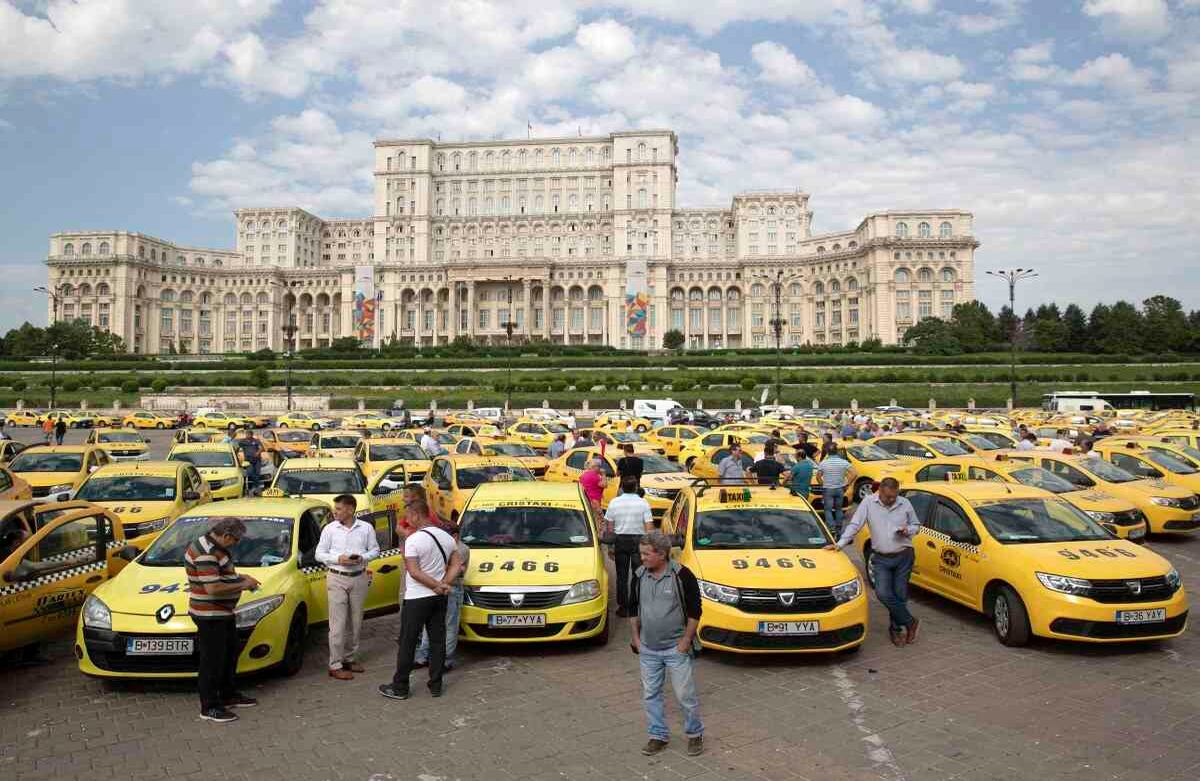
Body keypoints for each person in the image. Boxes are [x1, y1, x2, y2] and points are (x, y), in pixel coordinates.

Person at [629, 531, 704, 757]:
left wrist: (686, 640)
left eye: (646, 554)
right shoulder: (639, 575)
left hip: (675, 648)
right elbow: (633, 609)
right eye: (641, 553)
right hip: (648, 649)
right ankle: (658, 736)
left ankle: (694, 734)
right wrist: (635, 637)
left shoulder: (682, 575)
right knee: (651, 694)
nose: (642, 558)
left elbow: (695, 611)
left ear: (661, 554)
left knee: (684, 695)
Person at [826, 477, 921, 647]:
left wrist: (908, 530)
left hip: (904, 556)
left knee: (900, 595)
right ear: (880, 492)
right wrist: (839, 544)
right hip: (881, 558)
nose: (892, 500)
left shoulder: (905, 503)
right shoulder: (868, 503)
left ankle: (896, 629)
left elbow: (916, 525)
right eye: (888, 497)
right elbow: (855, 525)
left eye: (894, 496)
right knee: (883, 593)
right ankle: (910, 621)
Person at [379, 504, 461, 701]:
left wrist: (435, 585)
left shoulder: (413, 539)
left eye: (408, 517)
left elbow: (414, 572)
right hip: (439, 598)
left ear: (416, 516)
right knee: (437, 640)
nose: (407, 521)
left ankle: (400, 686)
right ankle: (436, 684)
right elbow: (457, 564)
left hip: (416, 598)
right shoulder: (447, 537)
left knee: (408, 641)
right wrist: (443, 584)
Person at [184, 517, 261, 723]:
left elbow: (220, 576)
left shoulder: (214, 546)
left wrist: (241, 577)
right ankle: (209, 706)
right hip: (209, 614)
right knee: (212, 661)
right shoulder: (206, 552)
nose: (236, 544)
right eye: (235, 540)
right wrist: (243, 585)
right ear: (226, 535)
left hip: (222, 612)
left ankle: (228, 695)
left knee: (229, 653)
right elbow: (213, 588)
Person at [315, 494, 380, 681]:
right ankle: (335, 664)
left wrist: (362, 558)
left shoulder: (366, 528)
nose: (335, 512)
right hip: (337, 578)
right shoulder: (329, 529)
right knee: (337, 624)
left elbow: (375, 550)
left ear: (350, 509)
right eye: (335, 509)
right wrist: (338, 559)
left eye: (339, 509)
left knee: (356, 621)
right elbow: (319, 554)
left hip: (359, 577)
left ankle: (349, 658)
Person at [414, 521, 469, 671]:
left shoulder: (462, 549)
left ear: (455, 536)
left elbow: (449, 568)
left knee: (450, 625)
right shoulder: (445, 546)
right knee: (429, 623)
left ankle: (446, 660)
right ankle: (423, 656)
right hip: (436, 587)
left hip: (452, 589)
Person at [605, 475, 654, 618]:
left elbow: (610, 526)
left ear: (621, 488)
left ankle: (623, 607)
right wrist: (648, 546)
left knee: (621, 575)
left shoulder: (614, 502)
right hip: (638, 541)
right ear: (636, 488)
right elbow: (649, 527)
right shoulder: (643, 503)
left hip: (620, 540)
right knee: (638, 574)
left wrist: (610, 547)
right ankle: (636, 604)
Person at [817, 445, 851, 537]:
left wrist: (823, 485)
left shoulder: (824, 463)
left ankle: (831, 528)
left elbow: (818, 476)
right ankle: (839, 528)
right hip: (840, 488)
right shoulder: (843, 462)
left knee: (828, 510)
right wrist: (847, 484)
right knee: (838, 509)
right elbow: (855, 473)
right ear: (837, 451)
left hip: (828, 489)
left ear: (828, 452)